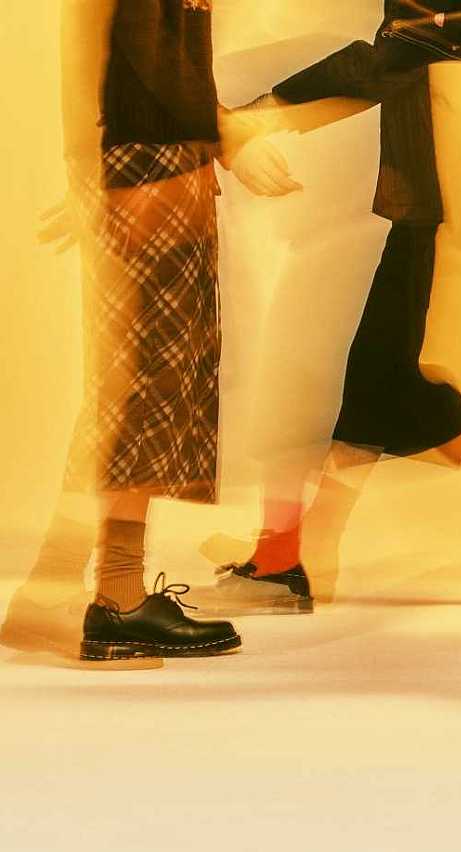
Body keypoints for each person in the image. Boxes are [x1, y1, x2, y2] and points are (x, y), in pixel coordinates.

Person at [187, 6, 461, 617]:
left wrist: (261, 115)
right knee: (384, 386)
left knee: (436, 380)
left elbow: (397, 54)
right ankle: (286, 555)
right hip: (452, 203)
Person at [3, 0, 290, 664]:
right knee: (143, 388)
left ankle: (61, 590)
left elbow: (145, 56)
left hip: (158, 162)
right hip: (148, 166)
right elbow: (102, 46)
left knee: (139, 385)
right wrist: (98, 174)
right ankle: (116, 598)